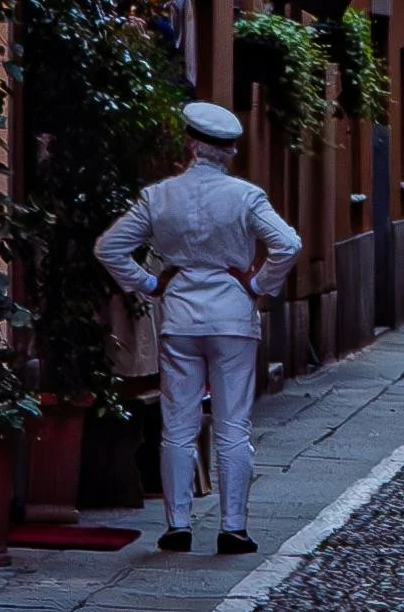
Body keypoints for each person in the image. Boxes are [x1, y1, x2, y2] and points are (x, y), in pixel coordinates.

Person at [95, 100, 299, 555]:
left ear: (191, 144)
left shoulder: (159, 196)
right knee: (233, 426)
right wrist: (258, 285)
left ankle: (178, 524)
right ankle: (233, 528)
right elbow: (288, 244)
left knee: (178, 425)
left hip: (181, 318)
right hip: (232, 318)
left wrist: (150, 284)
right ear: (228, 151)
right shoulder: (246, 197)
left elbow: (110, 249)